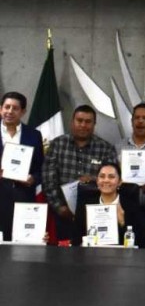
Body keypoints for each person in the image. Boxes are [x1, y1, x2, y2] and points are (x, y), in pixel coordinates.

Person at [42, 105, 117, 246]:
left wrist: (93, 179)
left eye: (88, 122)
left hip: (95, 216)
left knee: (95, 255)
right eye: (79, 120)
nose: (83, 125)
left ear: (94, 124)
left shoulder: (105, 148)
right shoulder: (57, 144)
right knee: (63, 256)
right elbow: (48, 179)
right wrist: (60, 207)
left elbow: (112, 181)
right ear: (72, 122)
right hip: (63, 215)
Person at [115, 102, 145, 248]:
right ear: (131, 121)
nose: (140, 121)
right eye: (137, 118)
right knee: (127, 250)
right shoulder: (119, 146)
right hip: (126, 210)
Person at [0, 92, 44, 242]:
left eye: (15, 108)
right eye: (7, 107)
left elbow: (40, 168)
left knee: (22, 248)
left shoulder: (34, 135)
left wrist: (33, 179)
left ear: (23, 112)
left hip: (23, 199)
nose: (10, 111)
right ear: (0, 109)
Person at [76, 162, 128, 245]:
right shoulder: (86, 205)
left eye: (111, 177)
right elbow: (77, 238)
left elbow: (138, 241)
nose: (106, 180)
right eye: (102, 176)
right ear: (97, 181)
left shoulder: (130, 205)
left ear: (119, 182)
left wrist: (122, 222)